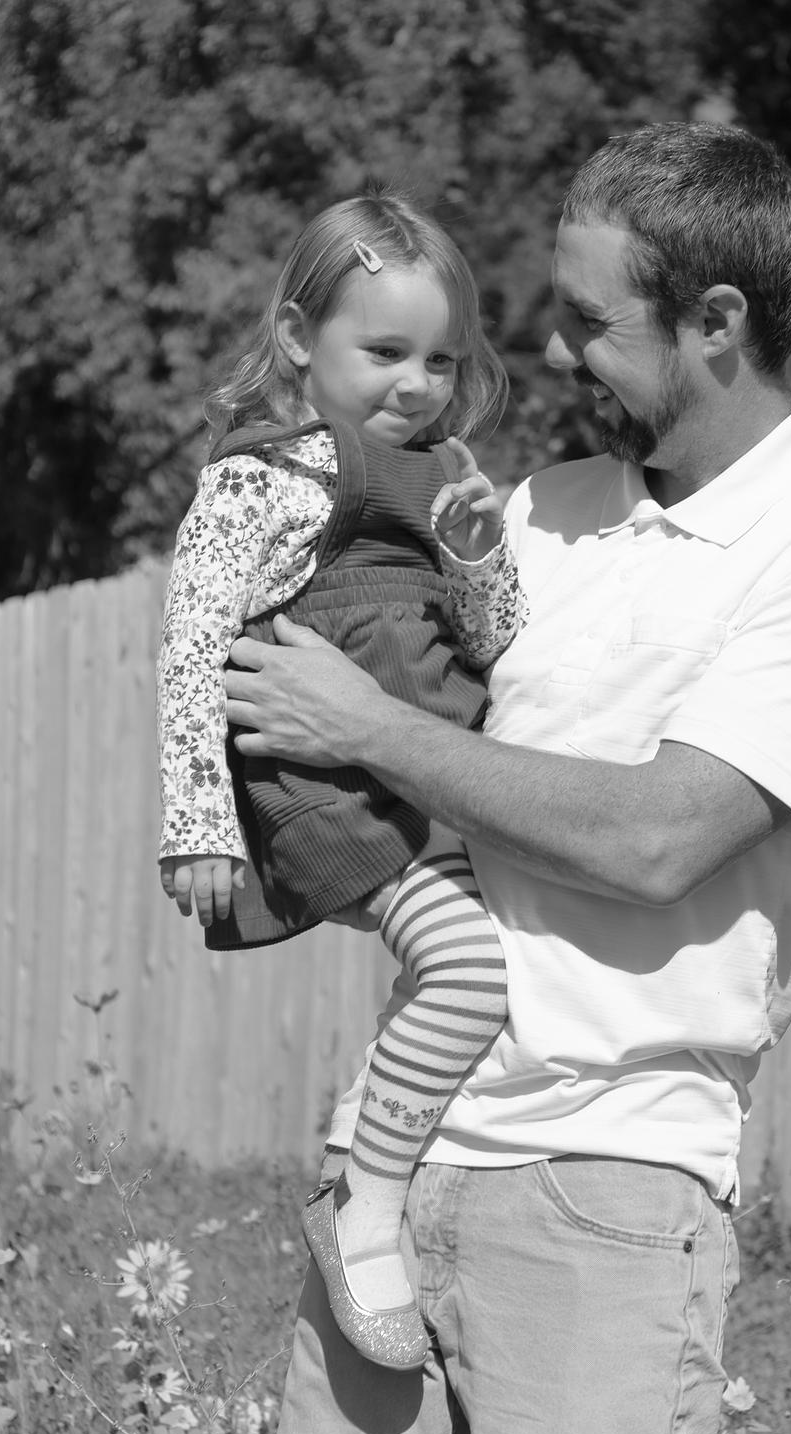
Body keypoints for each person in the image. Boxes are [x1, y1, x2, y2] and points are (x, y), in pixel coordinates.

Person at [225, 124, 791, 1434]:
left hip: (603, 1186)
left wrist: (366, 728)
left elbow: (655, 838)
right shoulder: (533, 514)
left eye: (590, 321)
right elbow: (389, 753)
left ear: (716, 322)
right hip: (391, 1159)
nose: (550, 352)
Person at [156, 193, 526, 1372]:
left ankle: (371, 1139)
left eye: (441, 360)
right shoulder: (260, 478)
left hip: (433, 773)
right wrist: (199, 821)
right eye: (384, 352)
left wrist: (476, 551)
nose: (416, 385)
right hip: (336, 791)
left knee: (501, 967)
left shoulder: (442, 475)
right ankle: (362, 1203)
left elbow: (495, 641)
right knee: (472, 972)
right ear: (297, 337)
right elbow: (192, 645)